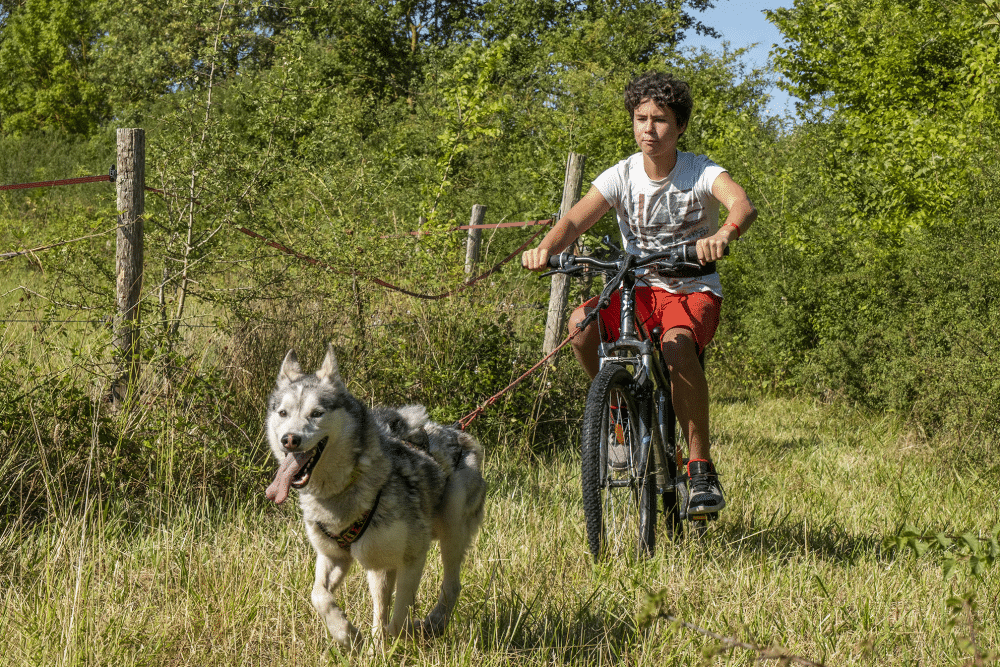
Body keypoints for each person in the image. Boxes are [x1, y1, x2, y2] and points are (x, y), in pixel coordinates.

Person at [521, 70, 757, 515]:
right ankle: (619, 419)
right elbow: (574, 221)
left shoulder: (700, 171)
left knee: (676, 345)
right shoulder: (621, 175)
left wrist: (725, 232)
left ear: (680, 126)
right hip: (639, 289)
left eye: (661, 120)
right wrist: (545, 249)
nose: (649, 129)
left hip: (691, 288)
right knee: (579, 324)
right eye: (641, 118)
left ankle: (700, 468)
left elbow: (741, 204)